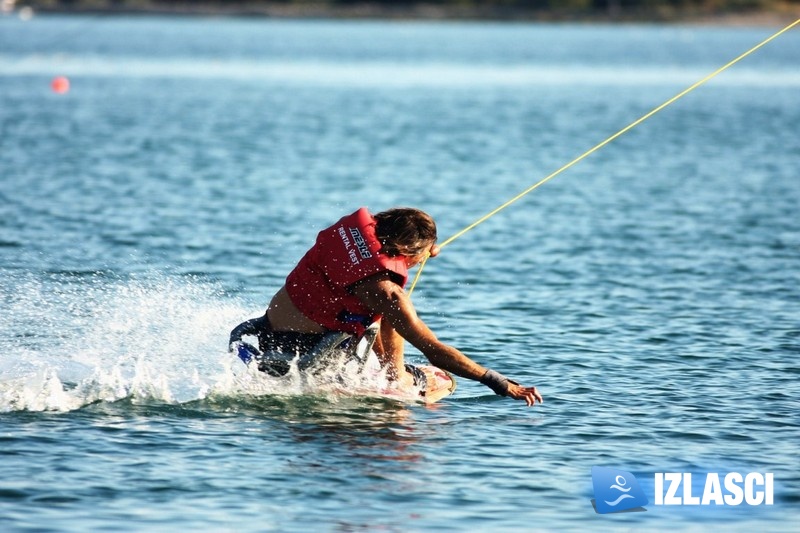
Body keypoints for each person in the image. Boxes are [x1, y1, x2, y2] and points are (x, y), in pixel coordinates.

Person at [229, 207, 543, 407]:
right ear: (409, 251)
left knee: (374, 313)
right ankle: (398, 380)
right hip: (308, 352)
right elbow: (433, 350)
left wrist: (419, 252)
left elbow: (381, 247)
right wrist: (498, 382)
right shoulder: (386, 292)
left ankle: (393, 374)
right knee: (398, 440)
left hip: (266, 330)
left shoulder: (355, 230)